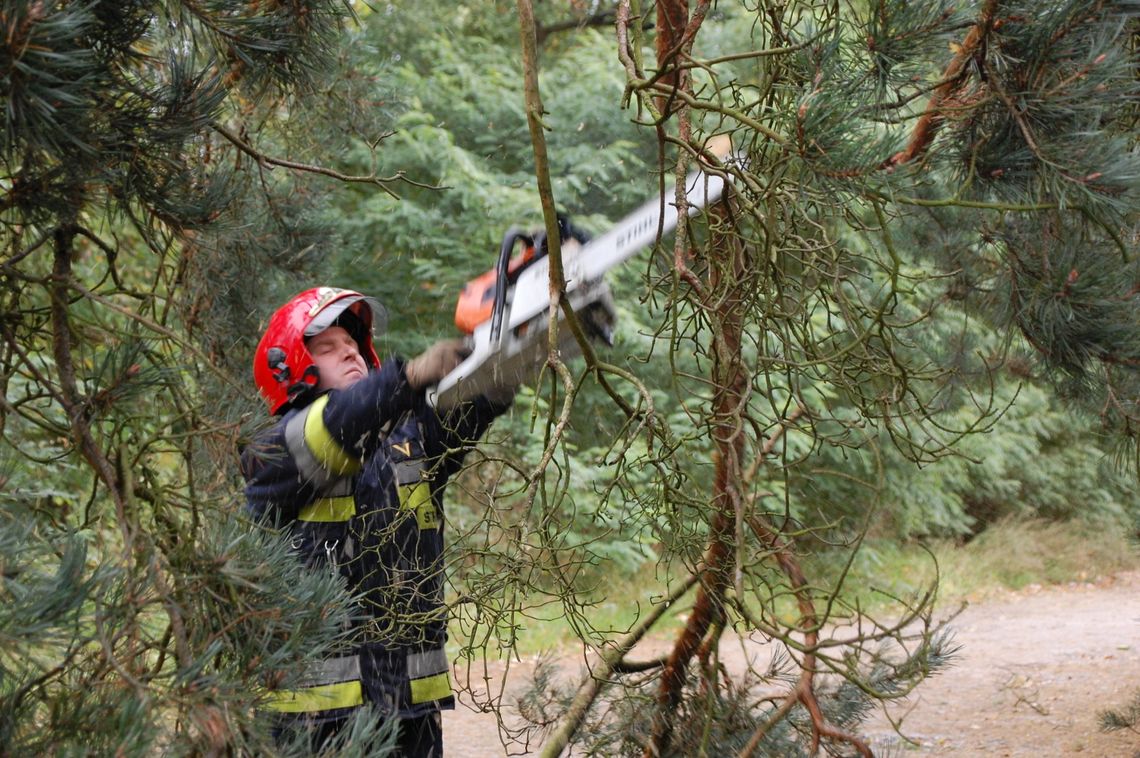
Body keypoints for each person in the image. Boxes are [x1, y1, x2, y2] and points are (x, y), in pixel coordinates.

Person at [241, 286, 513, 756]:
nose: (348, 351)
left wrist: (518, 340)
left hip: (408, 709)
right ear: (289, 371)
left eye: (352, 345)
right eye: (327, 348)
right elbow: (335, 428)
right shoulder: (271, 450)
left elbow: (479, 397)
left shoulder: (413, 439)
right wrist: (406, 378)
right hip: (313, 721)